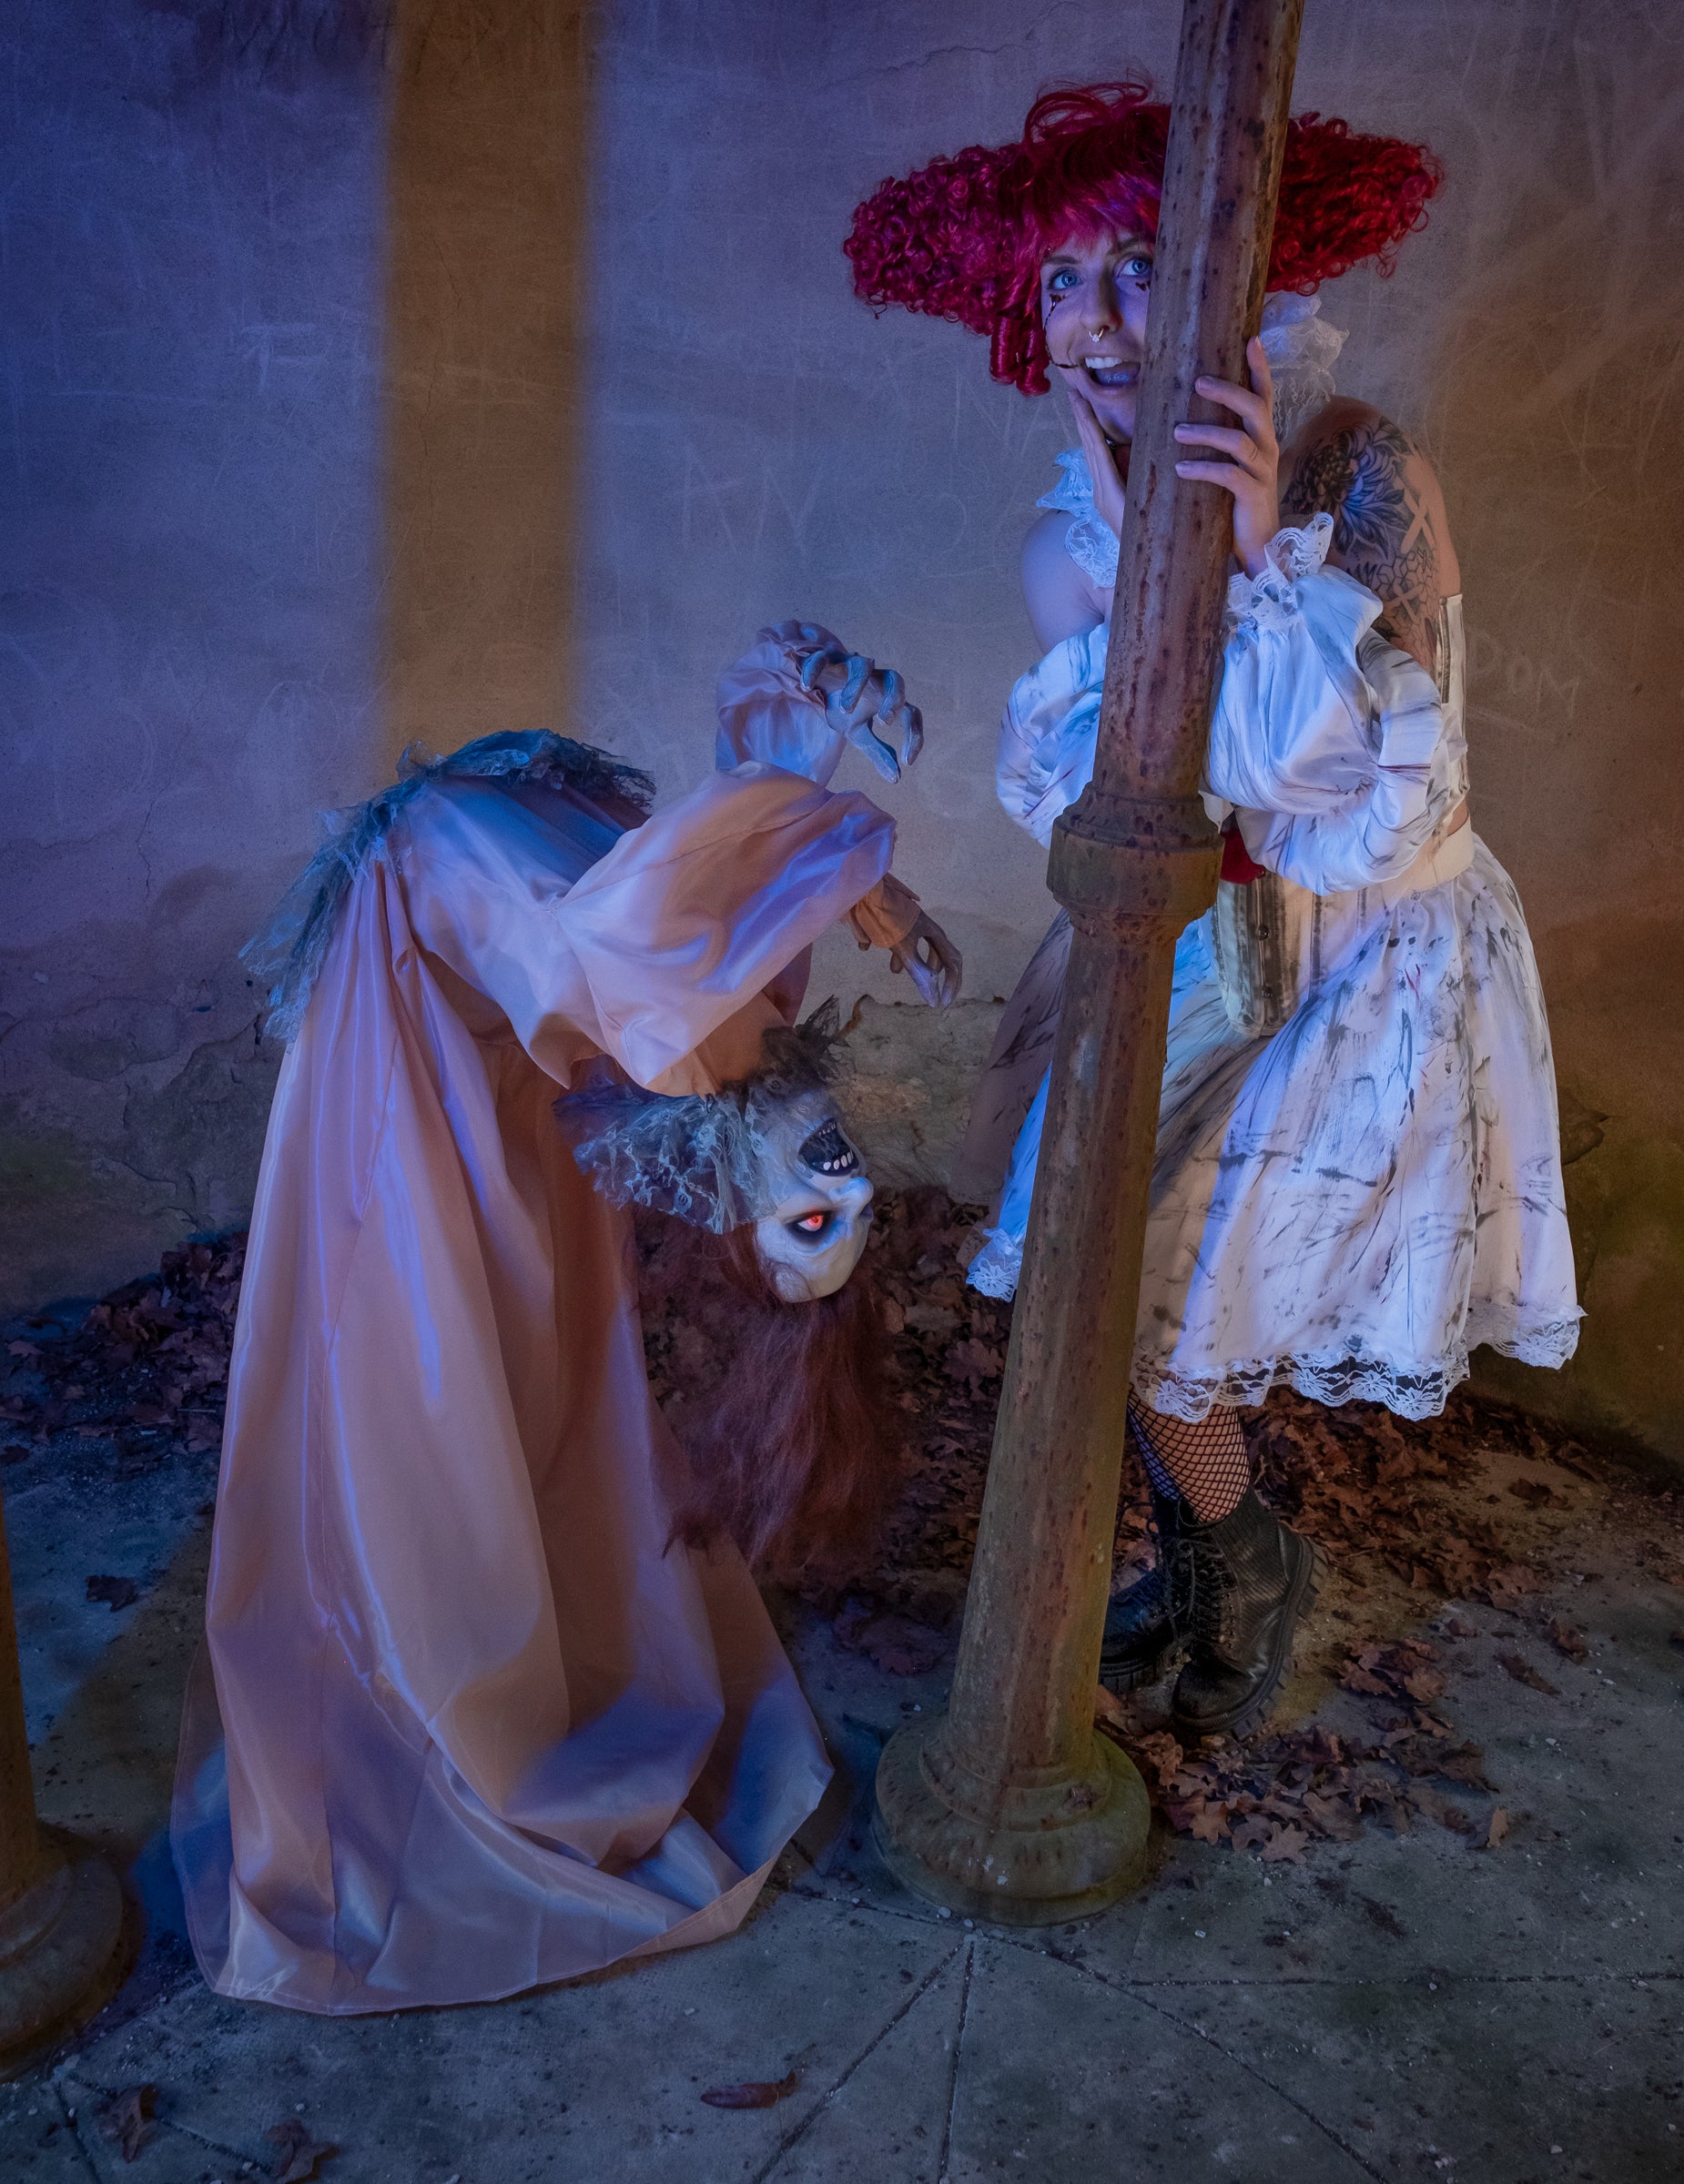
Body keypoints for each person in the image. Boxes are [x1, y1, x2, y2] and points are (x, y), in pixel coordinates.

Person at [847, 84, 1580, 1738]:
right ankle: (1226, 1562)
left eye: (1136, 263)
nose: (1100, 317)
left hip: (1373, 958)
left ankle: (1234, 1572)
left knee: (1167, 1304)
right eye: (1060, 282)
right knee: (1111, 1291)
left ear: (1226, 272)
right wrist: (1150, 561)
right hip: (1198, 949)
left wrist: (1256, 552)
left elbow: (1376, 802)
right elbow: (1132, 794)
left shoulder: (1359, 466)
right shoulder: (1067, 546)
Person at [171, 627, 959, 2013]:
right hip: (457, 1053)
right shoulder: (691, 1038)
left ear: (749, 1229)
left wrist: (840, 845)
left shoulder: (661, 1039)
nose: (837, 1187)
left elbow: (641, 931)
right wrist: (832, 828)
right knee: (474, 1374)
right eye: (843, 1216)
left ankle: (475, 1688)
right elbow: (665, 916)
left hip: (437, 1084)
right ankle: (472, 1660)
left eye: (807, 1227)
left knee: (485, 1377)